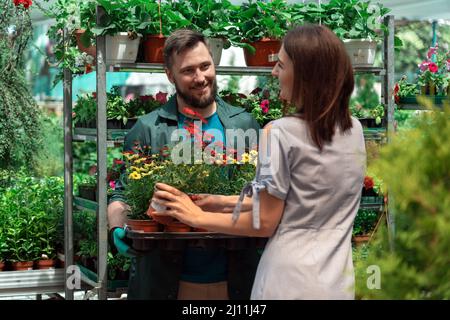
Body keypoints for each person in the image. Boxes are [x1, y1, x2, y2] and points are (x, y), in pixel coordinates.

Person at [152, 25, 367, 299]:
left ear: (304, 74)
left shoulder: (278, 132)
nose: (274, 72)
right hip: (336, 280)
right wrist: (223, 201)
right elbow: (302, 202)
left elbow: (265, 221)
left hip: (287, 282)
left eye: (280, 64)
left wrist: (197, 216)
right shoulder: (354, 130)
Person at [107, 29, 262, 300]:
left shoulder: (244, 125)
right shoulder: (148, 129)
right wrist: (117, 228)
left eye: (205, 66)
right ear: (170, 75)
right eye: (188, 70)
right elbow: (122, 192)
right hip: (166, 282)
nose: (200, 78)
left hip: (237, 280)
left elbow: (266, 194)